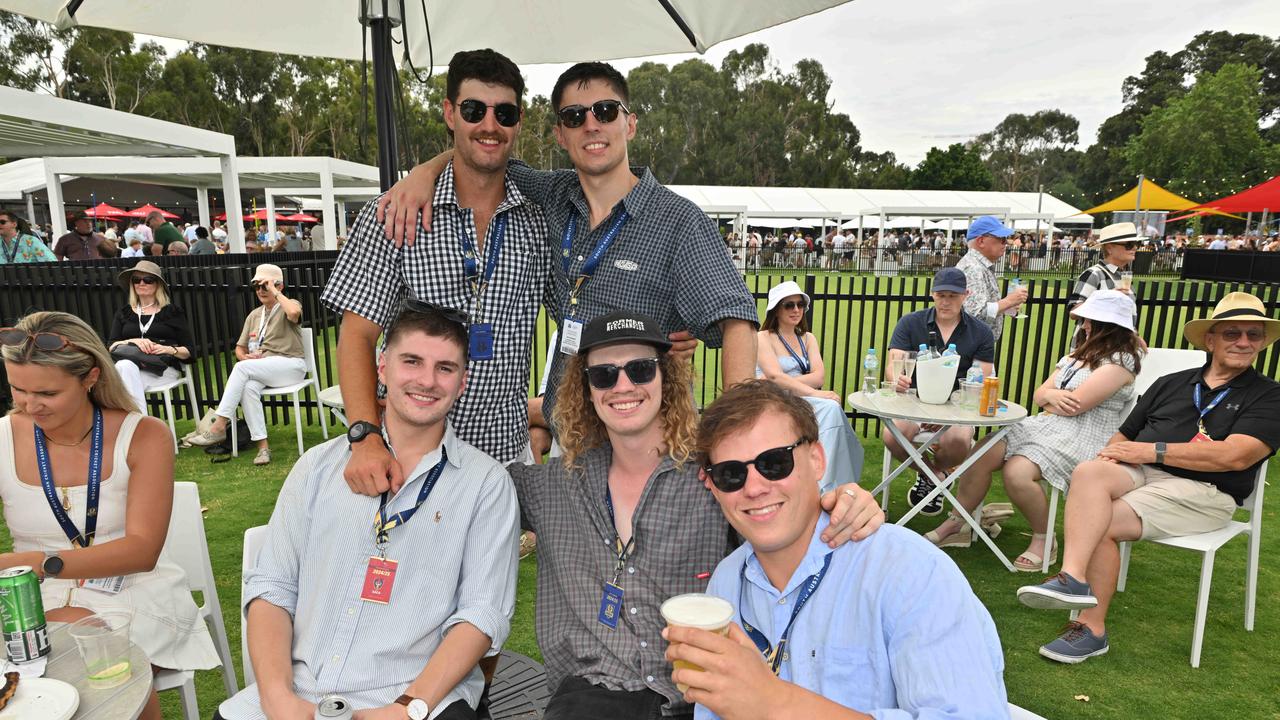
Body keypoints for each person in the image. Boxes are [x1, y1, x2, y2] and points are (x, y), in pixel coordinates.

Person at [508, 311, 883, 720]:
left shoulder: (717, 477)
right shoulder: (551, 487)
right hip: (594, 692)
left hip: (701, 694)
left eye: (640, 369)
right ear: (587, 390)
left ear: (666, 379)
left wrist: (845, 499)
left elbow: (785, 510)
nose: (623, 386)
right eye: (604, 375)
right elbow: (471, 488)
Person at [377, 60, 759, 443]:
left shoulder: (678, 220)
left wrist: (736, 431)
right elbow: (486, 152)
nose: (591, 125)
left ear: (630, 124)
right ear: (560, 134)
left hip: (644, 440)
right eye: (574, 116)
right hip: (572, 439)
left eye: (606, 111)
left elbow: (738, 321)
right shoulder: (556, 195)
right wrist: (424, 172)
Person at [216, 303, 519, 720]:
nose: (427, 381)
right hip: (300, 690)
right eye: (412, 361)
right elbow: (272, 587)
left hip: (418, 699)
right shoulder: (317, 467)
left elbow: (482, 614)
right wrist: (277, 698)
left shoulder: (486, 484)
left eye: (445, 368)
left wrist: (406, 708)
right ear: (382, 368)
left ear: (463, 382)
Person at [668, 380, 1007, 719]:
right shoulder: (725, 585)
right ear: (712, 486)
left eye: (774, 463)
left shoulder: (909, 571)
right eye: (731, 474)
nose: (754, 487)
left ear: (817, 459)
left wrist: (774, 702)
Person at [322, 49, 554, 490]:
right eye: (473, 110)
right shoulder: (396, 212)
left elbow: (584, 306)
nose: (489, 125)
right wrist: (365, 437)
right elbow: (357, 334)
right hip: (410, 458)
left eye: (503, 113)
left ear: (518, 121)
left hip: (504, 459)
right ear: (450, 113)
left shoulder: (539, 219)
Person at [1017, 292, 1280, 663]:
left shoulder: (1268, 395)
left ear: (1262, 343)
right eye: (1232, 333)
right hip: (1143, 474)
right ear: (1211, 339)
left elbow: (1237, 456)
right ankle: (1072, 576)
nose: (1243, 342)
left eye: (1253, 335)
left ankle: (1092, 629)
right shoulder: (1172, 383)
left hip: (1206, 490)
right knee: (1089, 470)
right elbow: (1122, 436)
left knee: (1102, 522)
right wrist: (1117, 456)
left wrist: (1151, 451)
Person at [0, 312, 220, 720]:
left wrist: (34, 563)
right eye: (17, 389)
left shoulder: (145, 434)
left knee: (87, 659)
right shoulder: (3, 436)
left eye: (47, 393)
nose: (30, 405)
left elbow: (141, 552)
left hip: (135, 590)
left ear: (90, 377)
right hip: (31, 595)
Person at [925, 290, 1142, 568]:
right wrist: (1051, 398)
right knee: (980, 454)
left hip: (1084, 435)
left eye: (1090, 320)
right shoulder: (1078, 354)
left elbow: (1077, 406)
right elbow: (1040, 395)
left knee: (1018, 472)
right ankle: (959, 522)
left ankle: (1043, 537)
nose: (1084, 325)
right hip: (1048, 425)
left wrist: (1051, 398)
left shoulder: (1121, 361)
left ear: (1107, 326)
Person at [884, 268, 995, 517]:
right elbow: (893, 366)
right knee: (893, 436)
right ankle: (933, 475)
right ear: (932, 295)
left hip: (955, 407)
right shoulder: (911, 323)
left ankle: (935, 473)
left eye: (953, 296)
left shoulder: (980, 332)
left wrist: (949, 409)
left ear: (966, 295)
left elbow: (982, 378)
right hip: (913, 402)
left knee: (958, 440)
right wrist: (898, 380)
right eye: (941, 295)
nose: (946, 302)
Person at [187, 264, 304, 465]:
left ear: (279, 286)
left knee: (242, 370)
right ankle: (263, 448)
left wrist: (275, 292)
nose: (260, 290)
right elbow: (239, 349)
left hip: (290, 365)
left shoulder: (289, 303)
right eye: (257, 286)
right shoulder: (254, 315)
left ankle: (219, 425)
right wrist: (245, 357)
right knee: (248, 387)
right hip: (263, 368)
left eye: (265, 286)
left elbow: (294, 313)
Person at [755, 280, 864, 493]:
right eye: (789, 305)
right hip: (772, 399)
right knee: (831, 408)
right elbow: (775, 379)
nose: (796, 310)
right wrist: (813, 392)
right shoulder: (763, 338)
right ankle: (827, 486)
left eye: (800, 305)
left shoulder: (807, 338)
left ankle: (833, 483)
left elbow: (818, 376)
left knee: (830, 409)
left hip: (797, 397)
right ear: (776, 310)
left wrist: (784, 382)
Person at [107, 261, 196, 416]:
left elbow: (189, 351)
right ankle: (141, 424)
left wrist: (169, 349)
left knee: (122, 374)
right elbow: (111, 346)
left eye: (147, 280)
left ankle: (135, 426)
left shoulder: (172, 312)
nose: (141, 283)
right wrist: (133, 341)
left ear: (158, 285)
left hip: (162, 369)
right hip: (133, 367)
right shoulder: (124, 313)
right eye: (136, 280)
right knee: (126, 367)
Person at [956, 215, 1027, 344]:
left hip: (976, 344)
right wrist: (1008, 301)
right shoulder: (973, 268)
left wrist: (1007, 306)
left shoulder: (979, 265)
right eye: (1001, 239)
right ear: (981, 241)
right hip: (972, 346)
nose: (1005, 243)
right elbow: (975, 314)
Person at [1067, 221, 1141, 328]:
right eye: (1129, 245)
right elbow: (1074, 311)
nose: (1135, 248)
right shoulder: (1094, 274)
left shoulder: (1122, 276)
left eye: (1137, 244)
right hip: (1094, 343)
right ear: (1109, 248)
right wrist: (1107, 297)